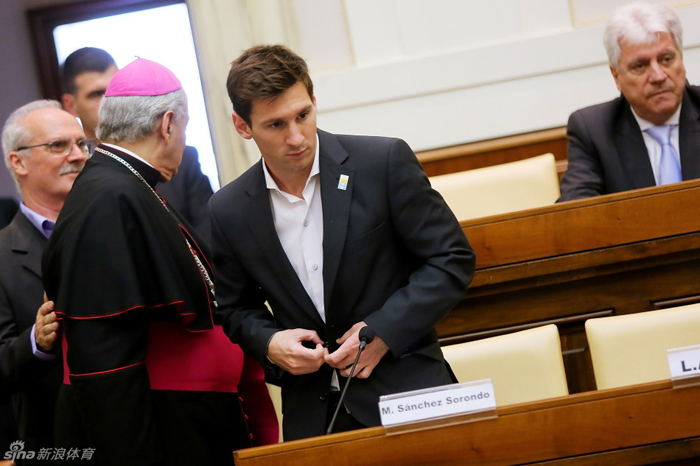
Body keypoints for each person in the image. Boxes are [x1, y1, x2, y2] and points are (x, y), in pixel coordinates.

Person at [208, 44, 476, 440]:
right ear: (242, 125)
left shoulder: (382, 161)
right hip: (313, 417)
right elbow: (234, 309)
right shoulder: (228, 209)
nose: (297, 137)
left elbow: (451, 258)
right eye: (276, 125)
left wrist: (384, 330)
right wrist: (270, 342)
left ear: (314, 101)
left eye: (303, 115)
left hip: (409, 392)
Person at [42, 59, 277, 466]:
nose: (182, 142)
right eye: (183, 129)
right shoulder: (109, 199)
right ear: (167, 124)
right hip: (167, 431)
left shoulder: (125, 186)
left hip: (185, 419)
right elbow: (106, 362)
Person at [0, 100, 86, 462]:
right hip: (55, 444)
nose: (79, 155)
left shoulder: (114, 231)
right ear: (17, 162)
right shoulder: (3, 255)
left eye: (83, 144)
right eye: (58, 145)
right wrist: (37, 340)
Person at [61, 47, 214, 237]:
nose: (108, 102)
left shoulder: (179, 158)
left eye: (112, 92)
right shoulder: (70, 169)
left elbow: (207, 237)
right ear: (70, 105)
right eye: (96, 94)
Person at [558, 2, 700, 202]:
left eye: (666, 59)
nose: (658, 76)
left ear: (681, 60)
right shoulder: (594, 131)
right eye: (640, 66)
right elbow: (576, 212)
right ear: (616, 76)